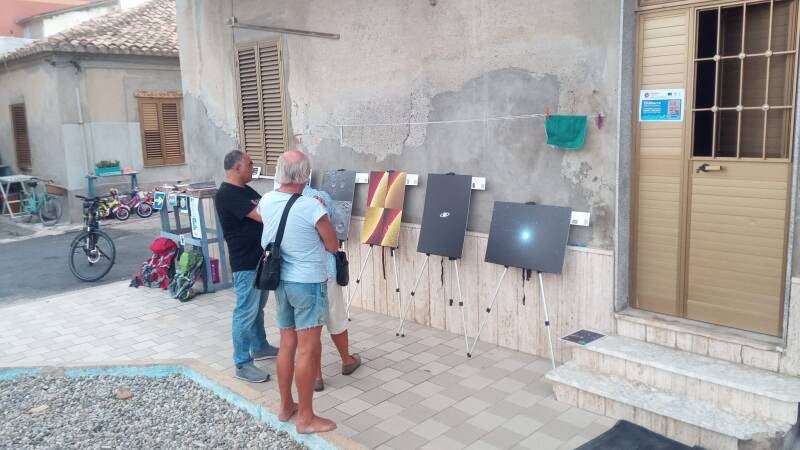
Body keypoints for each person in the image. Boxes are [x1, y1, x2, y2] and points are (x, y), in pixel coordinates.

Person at [258, 150, 338, 434]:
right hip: (307, 283)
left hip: (280, 281)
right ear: (305, 174)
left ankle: (286, 406)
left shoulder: (266, 200)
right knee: (307, 348)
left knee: (287, 344)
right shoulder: (311, 207)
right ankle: (306, 418)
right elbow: (332, 245)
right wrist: (320, 211)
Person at [215, 150, 278, 383]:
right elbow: (263, 215)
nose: (254, 167)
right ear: (236, 167)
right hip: (245, 263)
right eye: (250, 164)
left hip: (260, 259)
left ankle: (260, 346)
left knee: (257, 307)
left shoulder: (247, 190)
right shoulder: (226, 194)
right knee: (245, 312)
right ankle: (242, 363)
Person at [301, 185, 361, 392]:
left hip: (297, 277)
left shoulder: (274, 200)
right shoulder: (319, 197)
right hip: (325, 270)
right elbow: (338, 230)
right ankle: (346, 360)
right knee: (336, 318)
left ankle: (316, 376)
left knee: (310, 327)